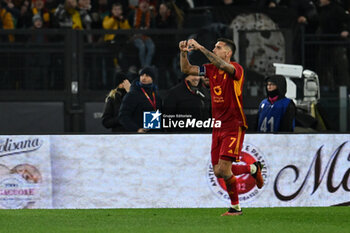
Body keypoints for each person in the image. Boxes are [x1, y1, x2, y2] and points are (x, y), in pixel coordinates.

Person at [179, 38, 264, 216]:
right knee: (218, 171)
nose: (214, 49)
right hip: (217, 125)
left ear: (228, 53)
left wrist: (201, 47)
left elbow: (221, 65)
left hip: (234, 124)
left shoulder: (236, 69)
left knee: (224, 170)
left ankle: (235, 208)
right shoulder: (210, 69)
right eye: (214, 47)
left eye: (218, 48)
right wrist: (183, 52)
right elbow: (186, 69)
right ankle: (252, 168)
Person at [118, 66, 161, 133]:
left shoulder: (156, 95)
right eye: (142, 75)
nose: (144, 77)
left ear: (153, 78)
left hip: (155, 134)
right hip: (138, 136)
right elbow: (123, 116)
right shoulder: (132, 94)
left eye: (147, 75)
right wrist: (137, 129)